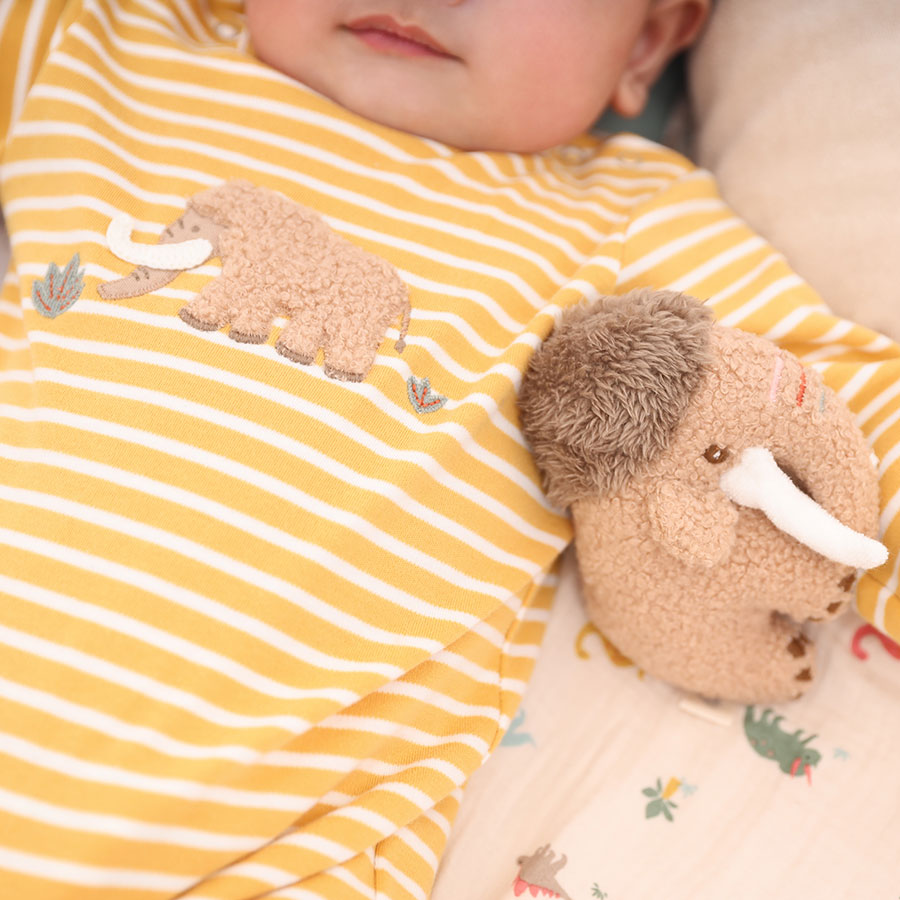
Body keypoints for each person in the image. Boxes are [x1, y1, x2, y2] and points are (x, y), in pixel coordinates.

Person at [0, 1, 897, 898]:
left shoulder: (622, 213)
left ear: (647, 44)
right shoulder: (104, 46)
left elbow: (836, 412)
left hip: (273, 852)